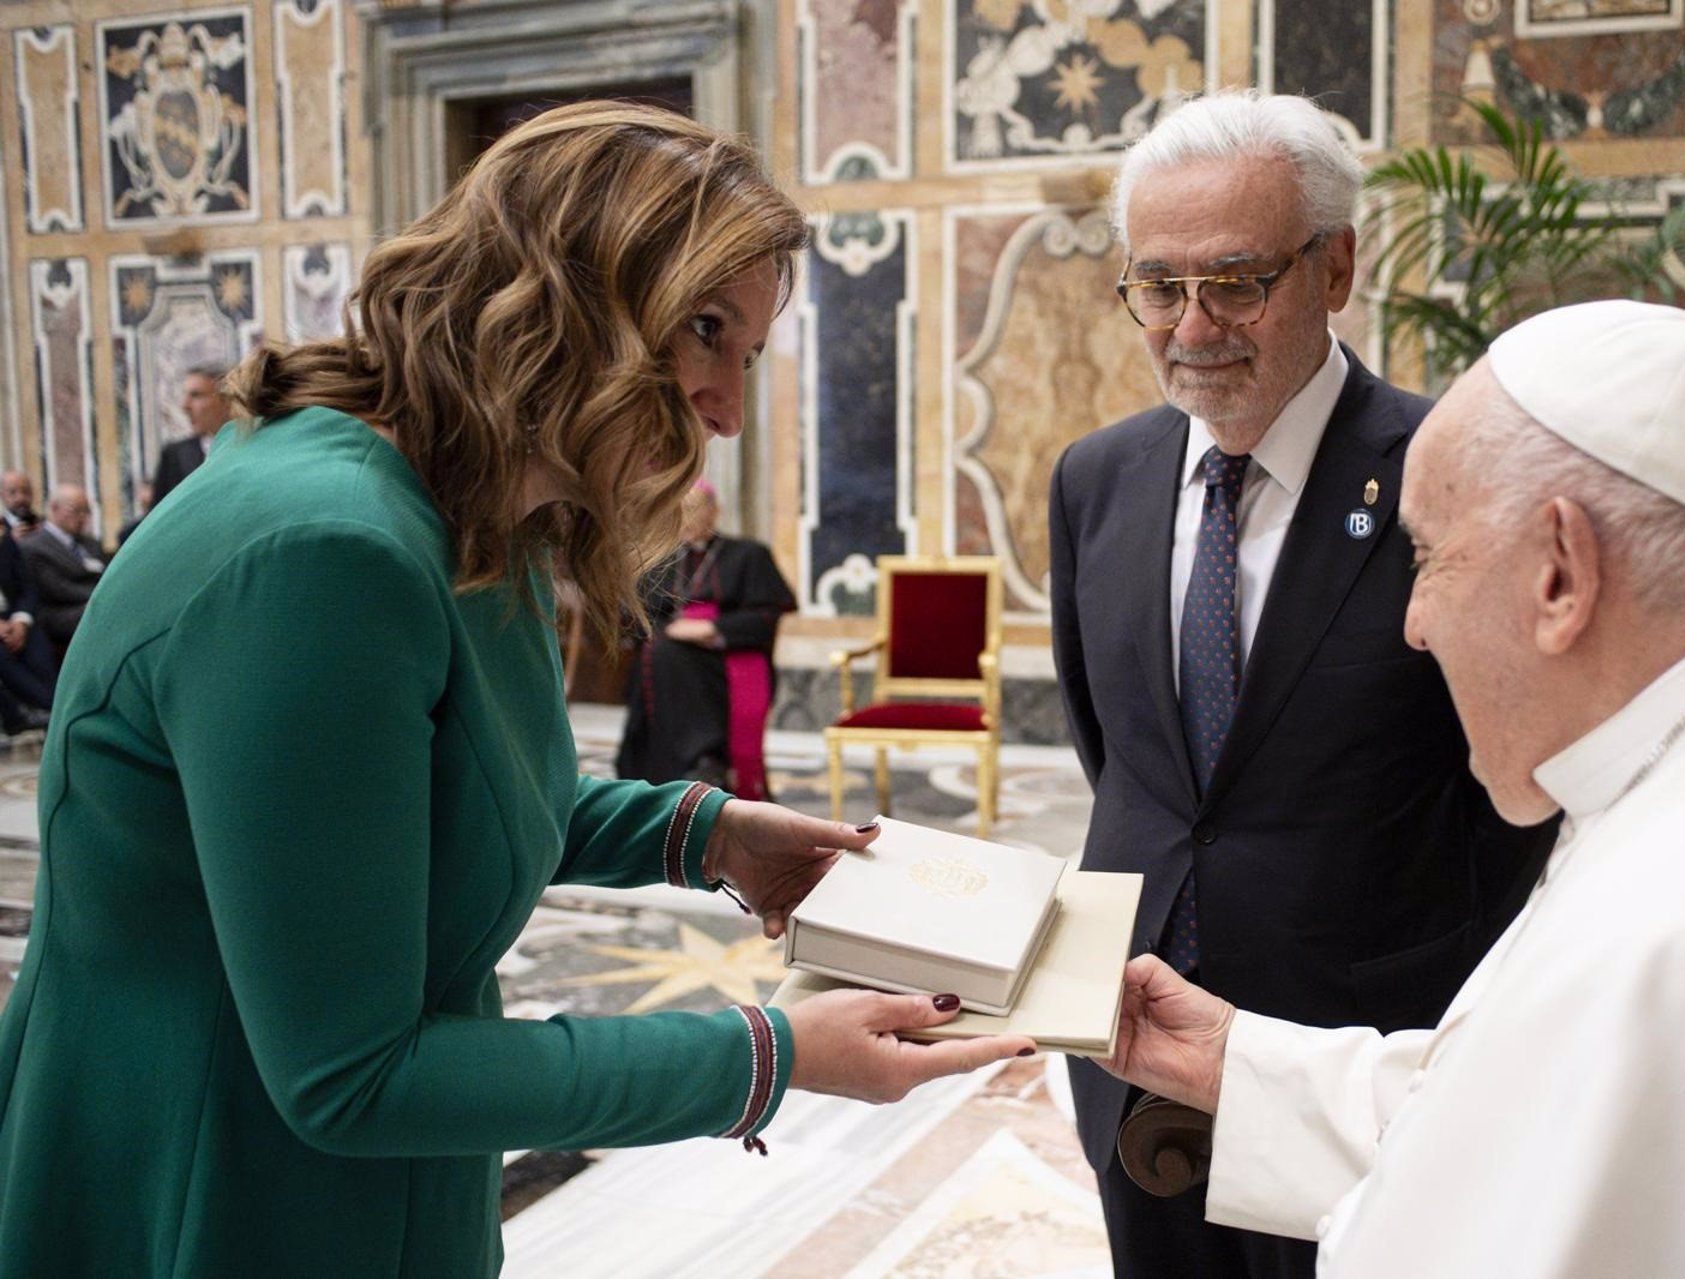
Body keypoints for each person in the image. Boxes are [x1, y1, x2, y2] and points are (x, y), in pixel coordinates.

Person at [0, 102, 1033, 1278]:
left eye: (745, 355)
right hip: (215, 1189)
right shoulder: (322, 551)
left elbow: (441, 792)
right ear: (566, 293)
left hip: (374, 1186)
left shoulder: (461, 506)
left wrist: (707, 833)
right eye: (705, 331)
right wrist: (769, 1052)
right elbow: (350, 1074)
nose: (727, 412)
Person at [1100, 300, 1685, 1277]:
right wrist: (1228, 1060)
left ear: (1561, 573)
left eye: (1429, 556)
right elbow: (1514, 1118)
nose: (1412, 623)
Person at [1047, 90, 1554, 1278]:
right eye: (1158, 287)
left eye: (1234, 281)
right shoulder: (1096, 478)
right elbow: (1124, 761)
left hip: (1358, 1069)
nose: (1191, 326)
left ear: (1336, 266)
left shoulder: (1449, 474)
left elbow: (1516, 795)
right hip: (1127, 1051)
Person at [616, 480, 796, 798]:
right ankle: (687, 767)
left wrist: (714, 630)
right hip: (669, 661)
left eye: (695, 507)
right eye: (679, 510)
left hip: (725, 660)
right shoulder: (660, 560)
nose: (687, 517)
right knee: (661, 653)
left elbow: (768, 615)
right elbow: (635, 618)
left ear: (715, 511)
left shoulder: (748, 554)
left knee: (664, 655)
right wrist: (673, 630)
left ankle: (705, 761)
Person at [19, 484, 106, 647]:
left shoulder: (91, 543)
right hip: (61, 614)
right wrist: (102, 597)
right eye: (76, 510)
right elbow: (58, 588)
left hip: (95, 603)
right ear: (54, 508)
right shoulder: (33, 546)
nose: (82, 517)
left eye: (86, 511)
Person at [150, 362, 232, 506]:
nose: (185, 406)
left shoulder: (254, 447)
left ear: (227, 400)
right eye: (185, 395)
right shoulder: (174, 455)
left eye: (196, 395)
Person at [0, 534, 52, 735]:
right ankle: (50, 708)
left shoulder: (5, 542)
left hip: (13, 617)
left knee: (36, 645)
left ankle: (50, 706)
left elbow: (27, 589)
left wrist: (21, 620)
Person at [1, 471, 39, 536]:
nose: (20, 498)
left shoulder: (44, 525)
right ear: (2, 496)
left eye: (25, 491)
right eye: (12, 492)